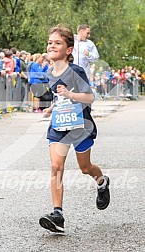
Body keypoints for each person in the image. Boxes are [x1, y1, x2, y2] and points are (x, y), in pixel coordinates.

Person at [39, 24, 110, 233]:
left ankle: (102, 182)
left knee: (85, 168)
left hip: (80, 126)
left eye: (58, 43)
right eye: (50, 42)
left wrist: (71, 95)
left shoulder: (76, 71)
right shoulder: (49, 72)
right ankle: (57, 214)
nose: (52, 45)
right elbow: (59, 95)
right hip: (60, 126)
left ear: (69, 50)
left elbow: (89, 97)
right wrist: (52, 108)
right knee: (56, 166)